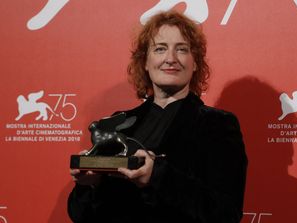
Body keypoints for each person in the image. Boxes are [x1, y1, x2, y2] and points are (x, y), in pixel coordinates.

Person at [68, 10, 247, 223]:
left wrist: (157, 176)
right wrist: (91, 185)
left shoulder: (217, 125)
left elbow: (226, 214)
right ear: (145, 61)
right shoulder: (119, 124)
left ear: (195, 62)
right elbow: (81, 216)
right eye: (160, 49)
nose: (170, 59)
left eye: (181, 49)